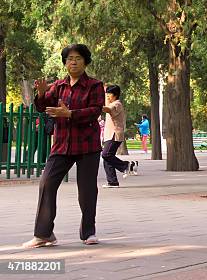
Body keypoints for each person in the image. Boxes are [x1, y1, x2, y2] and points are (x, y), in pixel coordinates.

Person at [23, 44, 104, 248]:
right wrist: (41, 94)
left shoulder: (94, 85)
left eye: (77, 58)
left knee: (86, 190)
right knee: (47, 183)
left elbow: (95, 111)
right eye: (69, 58)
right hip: (62, 144)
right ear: (65, 62)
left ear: (85, 61)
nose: (73, 62)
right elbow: (42, 107)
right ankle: (44, 234)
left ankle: (88, 232)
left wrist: (71, 114)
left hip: (87, 145)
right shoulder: (58, 86)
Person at [101, 85, 137, 188]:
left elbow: (107, 108)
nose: (108, 96)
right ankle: (112, 182)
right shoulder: (112, 103)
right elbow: (107, 104)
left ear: (115, 95)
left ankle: (127, 166)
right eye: (107, 94)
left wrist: (95, 106)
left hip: (115, 135)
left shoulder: (117, 104)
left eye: (109, 94)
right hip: (109, 135)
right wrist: (104, 92)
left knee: (106, 154)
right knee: (107, 159)